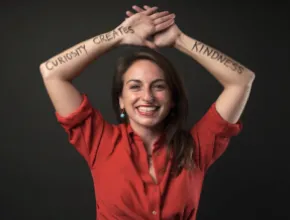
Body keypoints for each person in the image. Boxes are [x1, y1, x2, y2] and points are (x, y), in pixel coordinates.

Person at [39, 5, 255, 220]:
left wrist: (179, 40)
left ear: (172, 99)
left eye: (159, 86)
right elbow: (51, 72)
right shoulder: (99, 141)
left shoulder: (196, 147)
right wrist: (118, 36)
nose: (147, 96)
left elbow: (241, 80)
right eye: (135, 86)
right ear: (120, 100)